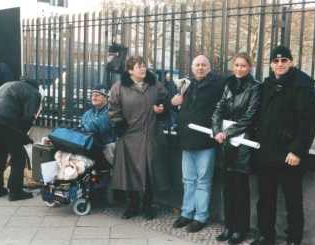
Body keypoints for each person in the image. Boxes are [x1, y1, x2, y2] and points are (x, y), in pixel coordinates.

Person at [250, 46, 315, 245]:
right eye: (276, 61)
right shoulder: (268, 84)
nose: (280, 64)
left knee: (293, 201)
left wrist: (297, 150)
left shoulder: (302, 84)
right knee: (265, 199)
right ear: (271, 64)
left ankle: (293, 240)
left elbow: (308, 121)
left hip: (290, 153)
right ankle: (265, 236)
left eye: (284, 61)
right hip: (267, 151)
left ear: (291, 62)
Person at [108, 56, 170, 220]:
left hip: (151, 135)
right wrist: (120, 126)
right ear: (130, 70)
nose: (143, 69)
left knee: (149, 172)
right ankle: (132, 205)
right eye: (139, 66)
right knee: (130, 172)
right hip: (129, 136)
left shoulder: (155, 85)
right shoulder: (119, 87)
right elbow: (113, 109)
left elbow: (165, 102)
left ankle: (148, 205)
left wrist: (161, 110)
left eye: (144, 66)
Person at [172, 55, 225, 233]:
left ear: (209, 67)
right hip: (187, 140)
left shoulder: (217, 85)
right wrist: (172, 103)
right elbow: (176, 105)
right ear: (192, 68)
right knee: (188, 180)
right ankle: (187, 213)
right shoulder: (188, 85)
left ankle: (201, 216)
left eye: (203, 65)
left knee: (203, 181)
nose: (200, 68)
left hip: (206, 140)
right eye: (197, 65)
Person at [212, 53, 261, 244]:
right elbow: (218, 109)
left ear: (249, 67)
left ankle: (240, 229)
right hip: (226, 143)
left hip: (243, 144)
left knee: (241, 189)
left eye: (243, 65)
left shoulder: (255, 87)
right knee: (227, 188)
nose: (239, 68)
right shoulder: (228, 85)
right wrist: (217, 130)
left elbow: (250, 116)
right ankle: (228, 226)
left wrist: (228, 132)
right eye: (237, 65)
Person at [0, 78, 41, 201]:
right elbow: (28, 117)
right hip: (4, 120)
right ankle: (15, 192)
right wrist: (23, 136)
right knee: (18, 156)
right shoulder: (34, 93)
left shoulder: (8, 84)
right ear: (37, 87)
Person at [80, 84, 116, 168]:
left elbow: (96, 126)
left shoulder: (111, 111)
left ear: (106, 97)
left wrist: (83, 128)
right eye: (92, 95)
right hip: (92, 145)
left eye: (97, 95)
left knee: (107, 148)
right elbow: (80, 128)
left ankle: (117, 173)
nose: (93, 98)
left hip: (107, 145)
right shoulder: (88, 113)